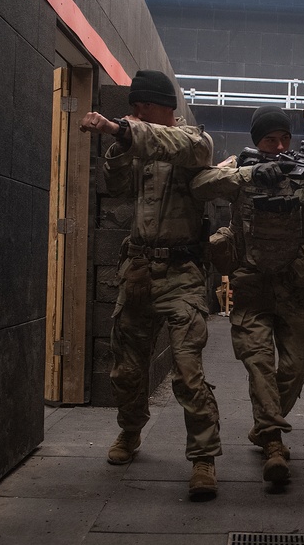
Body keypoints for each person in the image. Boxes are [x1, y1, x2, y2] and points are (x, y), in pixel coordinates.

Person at [79, 70, 222, 500]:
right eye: (133, 108)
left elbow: (171, 144)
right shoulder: (134, 140)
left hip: (181, 275)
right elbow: (118, 189)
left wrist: (120, 127)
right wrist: (120, 145)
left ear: (165, 108)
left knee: (188, 370)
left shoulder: (196, 141)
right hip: (139, 270)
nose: (136, 113)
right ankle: (130, 431)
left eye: (143, 108)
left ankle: (203, 458)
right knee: (126, 367)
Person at [188, 106, 304, 484]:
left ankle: (263, 424)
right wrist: (248, 171)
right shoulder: (241, 169)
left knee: (297, 365)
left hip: (293, 287)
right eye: (269, 140)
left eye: (284, 138)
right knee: (259, 364)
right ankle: (274, 442)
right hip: (252, 286)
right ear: (256, 142)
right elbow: (200, 186)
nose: (278, 147)